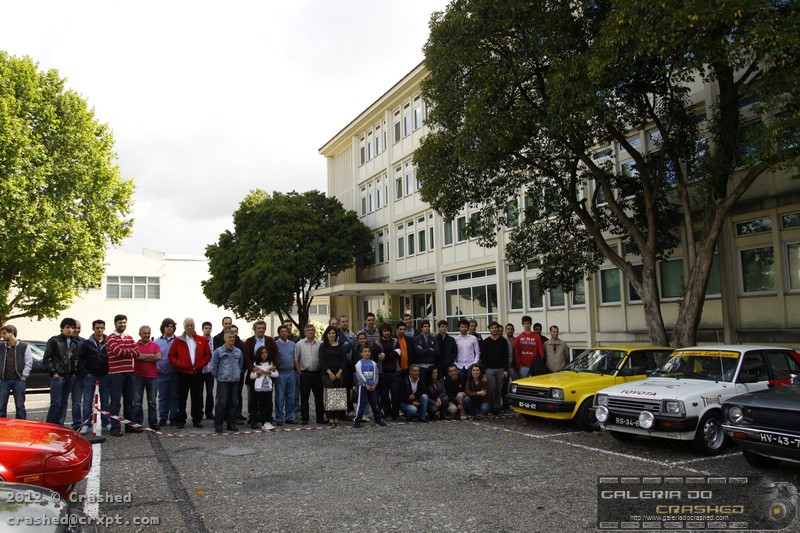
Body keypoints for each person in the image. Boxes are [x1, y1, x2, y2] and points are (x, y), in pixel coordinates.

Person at [169, 318, 212, 429]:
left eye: (191, 325)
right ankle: (181, 420)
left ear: (194, 326)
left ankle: (197, 419)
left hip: (197, 373)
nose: (189, 327)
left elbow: (208, 354)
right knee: (182, 398)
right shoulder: (178, 340)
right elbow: (171, 355)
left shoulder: (201, 340)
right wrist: (179, 364)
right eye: (187, 325)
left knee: (197, 397)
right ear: (184, 327)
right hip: (183, 373)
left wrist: (201, 364)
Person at [107, 314, 140, 436]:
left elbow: (137, 352)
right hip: (116, 374)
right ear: (115, 323)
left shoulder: (129, 337)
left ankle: (129, 425)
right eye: (120, 322)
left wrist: (127, 352)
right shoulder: (111, 338)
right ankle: (115, 428)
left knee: (129, 401)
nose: (122, 325)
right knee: (115, 402)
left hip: (129, 373)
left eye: (124, 322)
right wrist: (129, 352)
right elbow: (117, 351)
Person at [243, 320, 278, 429]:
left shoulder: (270, 341)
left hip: (267, 373)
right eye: (259, 328)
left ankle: (266, 419)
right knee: (253, 399)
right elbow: (246, 358)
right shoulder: (248, 342)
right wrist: (253, 369)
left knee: (267, 399)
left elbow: (276, 355)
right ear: (255, 330)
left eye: (263, 328)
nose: (261, 330)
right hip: (255, 372)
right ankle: (253, 419)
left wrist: (275, 366)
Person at [43, 318, 78, 426]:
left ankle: (59, 425)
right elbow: (47, 358)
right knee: (56, 403)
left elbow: (75, 359)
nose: (70, 330)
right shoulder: (54, 341)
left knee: (64, 402)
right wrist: (53, 372)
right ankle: (49, 425)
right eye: (67, 327)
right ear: (62, 328)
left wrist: (74, 372)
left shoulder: (74, 342)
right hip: (58, 376)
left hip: (69, 376)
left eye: (72, 328)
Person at [76, 320, 110, 433]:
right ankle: (86, 424)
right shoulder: (86, 344)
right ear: (93, 329)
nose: (99, 330)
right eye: (97, 328)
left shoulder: (109, 342)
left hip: (105, 376)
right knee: (87, 401)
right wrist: (86, 373)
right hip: (90, 376)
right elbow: (80, 360)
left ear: (104, 328)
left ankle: (106, 423)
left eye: (101, 327)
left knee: (105, 401)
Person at [210, 329, 243, 433]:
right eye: (230, 337)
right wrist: (219, 377)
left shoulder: (238, 351)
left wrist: (237, 374)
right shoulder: (218, 351)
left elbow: (241, 366)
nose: (232, 339)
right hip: (223, 381)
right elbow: (213, 367)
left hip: (235, 381)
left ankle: (231, 423)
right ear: (225, 338)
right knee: (222, 403)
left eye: (233, 337)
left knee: (233, 403)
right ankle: (218, 424)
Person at [0, 325, 32, 420]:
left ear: (11, 333)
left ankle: (21, 425)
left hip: (18, 380)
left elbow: (28, 362)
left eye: (5, 333)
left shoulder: (24, 346)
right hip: (4, 380)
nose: (2, 336)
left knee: (20, 406)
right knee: (1, 405)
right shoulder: (1, 347)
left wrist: (23, 376)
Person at [294, 324, 324, 425]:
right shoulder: (299, 344)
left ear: (314, 331)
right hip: (305, 374)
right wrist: (299, 373)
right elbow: (296, 359)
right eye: (308, 330)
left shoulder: (320, 344)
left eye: (312, 330)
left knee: (319, 397)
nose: (310, 332)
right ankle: (305, 418)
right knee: (304, 397)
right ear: (305, 332)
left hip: (317, 374)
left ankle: (320, 418)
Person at [133, 325, 161, 431]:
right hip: (138, 377)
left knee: (152, 401)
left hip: (152, 377)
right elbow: (136, 356)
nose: (147, 335)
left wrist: (142, 357)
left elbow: (158, 356)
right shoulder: (135, 345)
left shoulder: (155, 345)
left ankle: (153, 422)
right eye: (145, 333)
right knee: (137, 401)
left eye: (148, 333)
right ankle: (137, 423)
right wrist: (150, 356)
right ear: (140, 334)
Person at [480, 321, 510, 416]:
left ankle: (497, 408)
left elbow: (506, 357)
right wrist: (484, 371)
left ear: (498, 329)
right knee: (492, 389)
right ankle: (490, 406)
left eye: (496, 328)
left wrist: (505, 369)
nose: (494, 329)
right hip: (489, 369)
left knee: (499, 389)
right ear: (489, 329)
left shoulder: (503, 341)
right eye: (492, 328)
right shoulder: (485, 342)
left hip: (501, 369)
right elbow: (483, 357)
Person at [353, 344, 386, 428]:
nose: (367, 353)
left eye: (368, 351)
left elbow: (376, 374)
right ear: (361, 354)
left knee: (374, 403)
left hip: (372, 387)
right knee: (361, 404)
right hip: (363, 387)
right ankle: (357, 420)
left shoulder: (373, 363)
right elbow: (359, 375)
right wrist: (365, 384)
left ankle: (378, 419)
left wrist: (375, 384)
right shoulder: (359, 364)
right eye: (365, 352)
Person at [319, 325, 346, 425]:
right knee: (330, 394)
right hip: (326, 374)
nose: (331, 335)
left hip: (339, 373)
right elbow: (322, 360)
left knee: (338, 394)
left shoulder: (340, 346)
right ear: (326, 335)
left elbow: (344, 360)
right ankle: (330, 416)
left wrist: (339, 372)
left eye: (333, 333)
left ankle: (337, 417)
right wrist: (329, 372)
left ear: (336, 334)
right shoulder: (323, 346)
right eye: (329, 333)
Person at [373, 323, 401, 421]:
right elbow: (378, 355)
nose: (387, 332)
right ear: (381, 332)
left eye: (388, 330)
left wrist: (386, 356)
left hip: (395, 372)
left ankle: (396, 414)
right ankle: (387, 413)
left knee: (396, 394)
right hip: (383, 373)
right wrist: (390, 355)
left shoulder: (395, 341)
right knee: (384, 395)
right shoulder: (377, 343)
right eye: (385, 331)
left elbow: (397, 353)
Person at [155, 318, 179, 427]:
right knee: (163, 396)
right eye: (167, 326)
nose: (169, 328)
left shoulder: (179, 340)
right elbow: (153, 356)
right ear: (163, 328)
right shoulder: (157, 342)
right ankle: (163, 417)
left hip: (175, 373)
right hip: (162, 374)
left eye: (171, 326)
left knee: (174, 396)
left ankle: (173, 417)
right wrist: (155, 367)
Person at [273, 325, 297, 426]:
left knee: (291, 396)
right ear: (279, 333)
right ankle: (279, 417)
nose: (284, 333)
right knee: (280, 396)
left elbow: (295, 358)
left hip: (291, 372)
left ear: (288, 332)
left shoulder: (292, 344)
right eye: (282, 331)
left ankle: (289, 417)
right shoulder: (275, 344)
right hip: (280, 372)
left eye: (286, 331)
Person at [250, 345, 278, 430]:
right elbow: (251, 376)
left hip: (268, 388)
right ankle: (263, 421)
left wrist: (270, 372)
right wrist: (257, 373)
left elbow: (276, 374)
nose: (264, 355)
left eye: (265, 353)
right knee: (261, 405)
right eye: (262, 353)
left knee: (269, 404)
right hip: (259, 389)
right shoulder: (256, 364)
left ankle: (268, 421)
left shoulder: (271, 363)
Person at [200, 321, 214, 420]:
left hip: (210, 371)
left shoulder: (214, 341)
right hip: (200, 371)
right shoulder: (198, 340)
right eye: (206, 328)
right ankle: (199, 412)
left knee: (210, 392)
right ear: (203, 329)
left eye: (209, 328)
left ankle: (209, 412)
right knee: (199, 393)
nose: (208, 330)